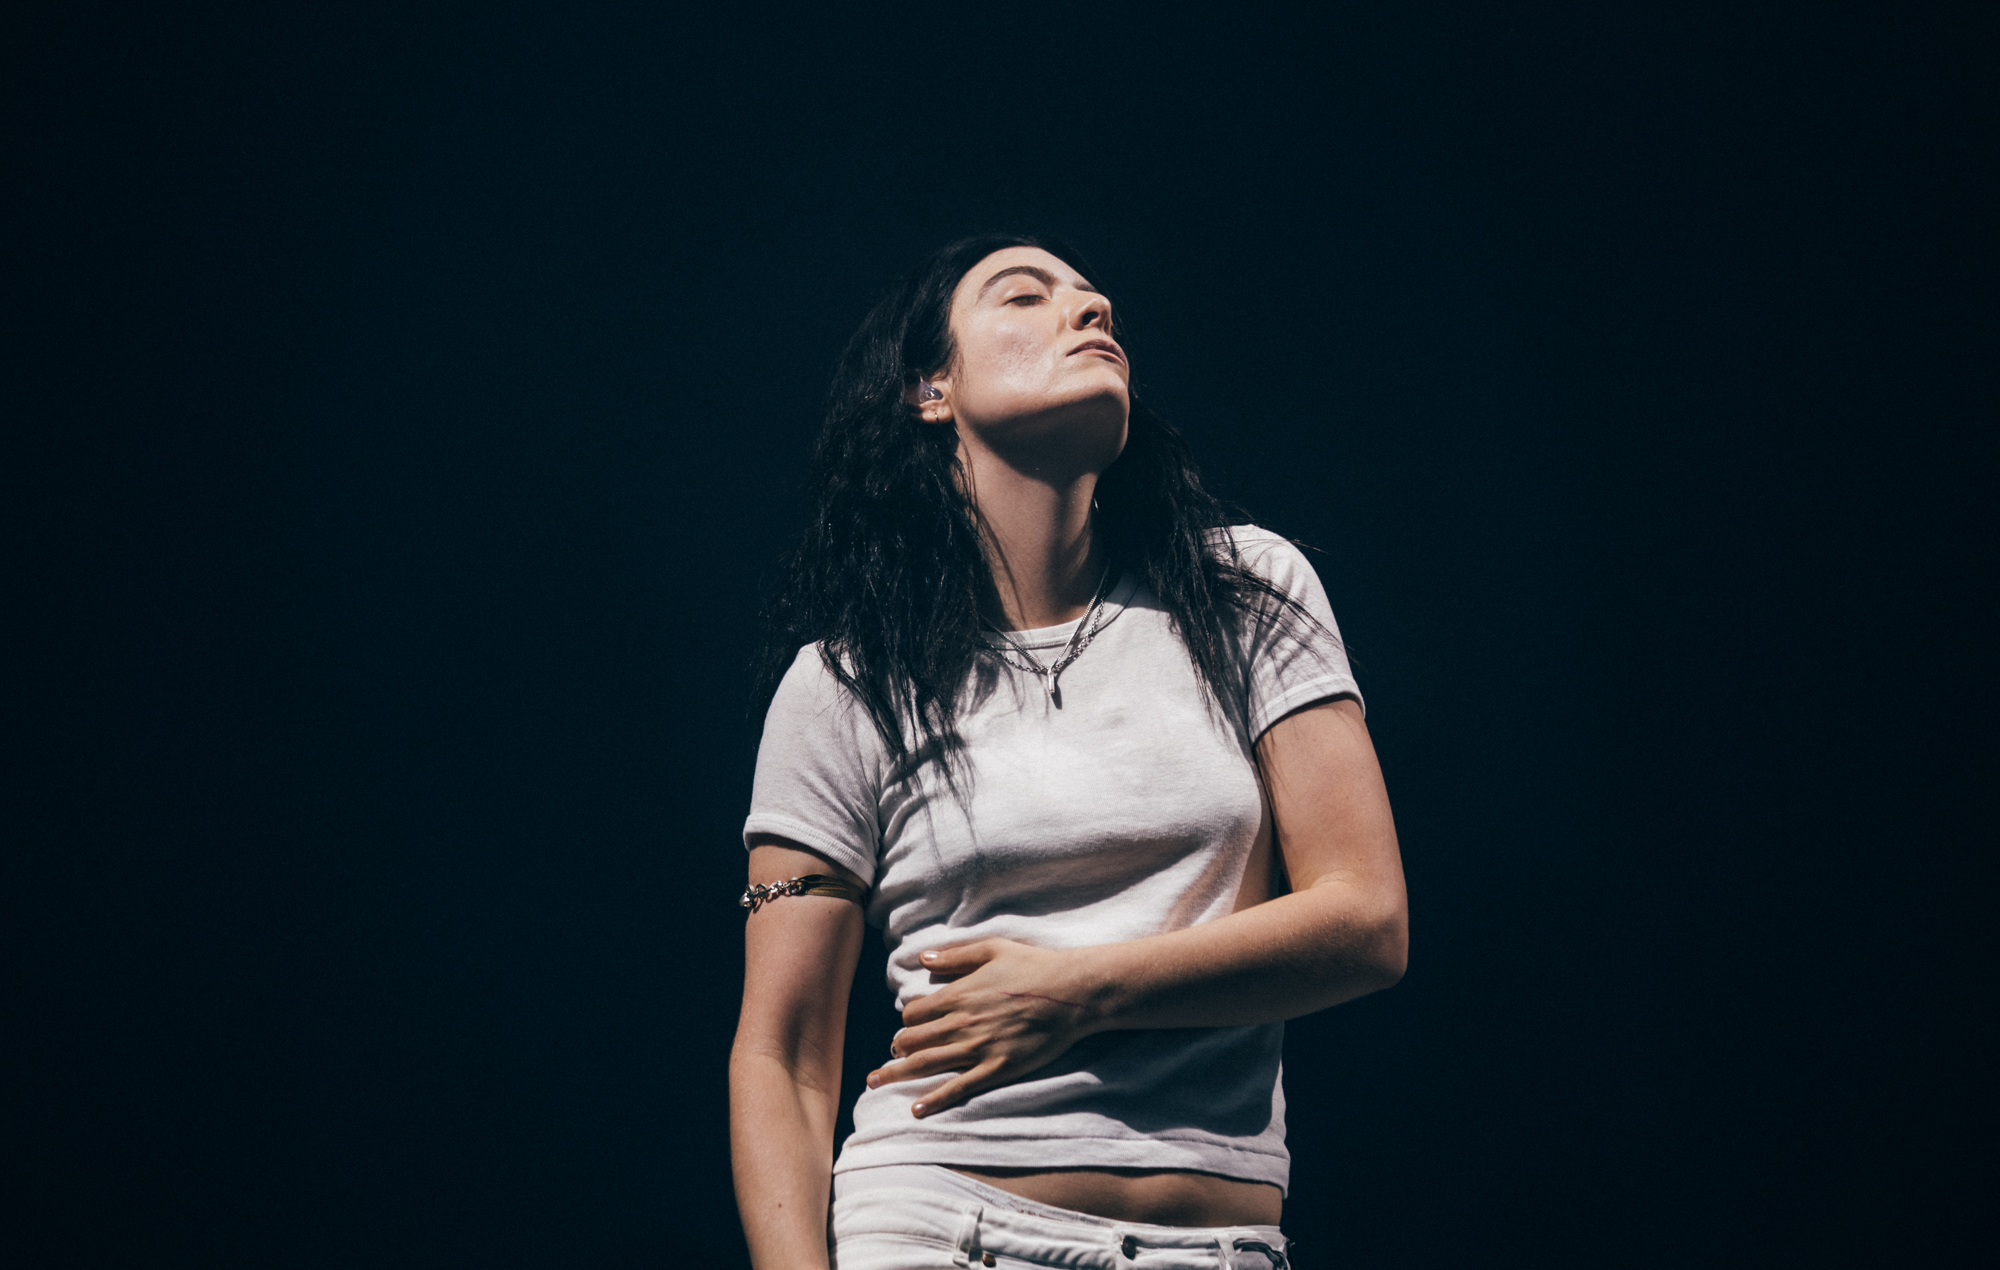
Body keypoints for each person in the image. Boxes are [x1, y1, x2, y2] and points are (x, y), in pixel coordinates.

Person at [730, 234, 1407, 1270]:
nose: (1088, 314)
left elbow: (1365, 918)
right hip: (939, 1228)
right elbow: (783, 1056)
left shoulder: (1245, 591)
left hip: (1215, 1246)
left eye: (1097, 305)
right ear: (929, 388)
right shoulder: (847, 682)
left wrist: (1072, 989)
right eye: (1025, 295)